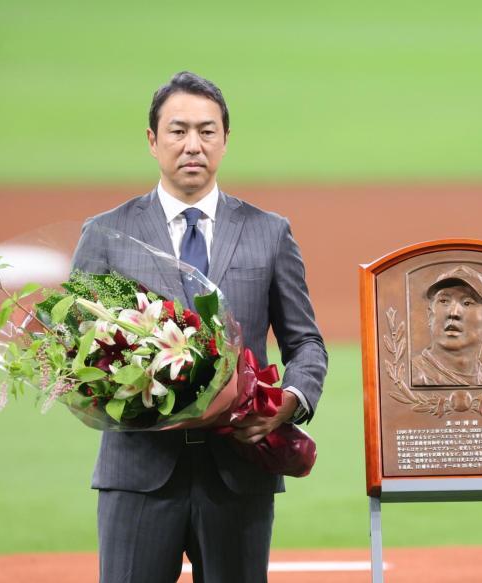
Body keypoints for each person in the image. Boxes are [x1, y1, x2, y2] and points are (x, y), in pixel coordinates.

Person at [72, 71, 328, 583]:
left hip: (237, 472)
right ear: (152, 141)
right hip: (138, 472)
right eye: (178, 130)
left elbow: (305, 343)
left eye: (207, 132)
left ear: (225, 141)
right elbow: (76, 346)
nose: (193, 145)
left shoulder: (268, 233)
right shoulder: (106, 235)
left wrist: (290, 401)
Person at [411, 265, 482, 386]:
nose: (453, 313)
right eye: (444, 301)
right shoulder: (408, 377)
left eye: (467, 303)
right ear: (430, 315)